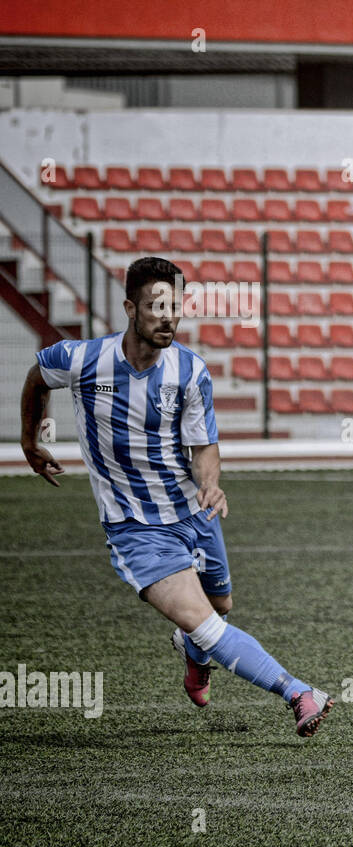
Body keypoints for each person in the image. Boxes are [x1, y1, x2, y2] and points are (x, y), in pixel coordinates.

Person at [19, 257, 334, 736]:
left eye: (175, 305)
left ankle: (191, 652)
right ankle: (298, 692)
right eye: (155, 306)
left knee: (221, 607)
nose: (169, 316)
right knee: (206, 623)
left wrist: (210, 481)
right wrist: (30, 439)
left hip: (192, 510)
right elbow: (37, 376)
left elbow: (204, 445)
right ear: (130, 308)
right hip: (135, 528)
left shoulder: (189, 371)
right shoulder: (81, 360)